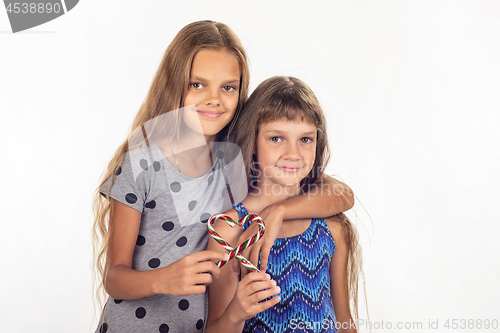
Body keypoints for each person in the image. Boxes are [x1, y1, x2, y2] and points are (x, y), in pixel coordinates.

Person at [92, 20, 354, 332]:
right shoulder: (140, 163)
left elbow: (342, 194)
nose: (214, 99)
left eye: (227, 87)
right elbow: (114, 278)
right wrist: (163, 278)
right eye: (197, 84)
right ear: (174, 84)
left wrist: (279, 210)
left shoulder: (238, 159)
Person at [206, 76, 362, 333]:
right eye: (276, 138)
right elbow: (214, 328)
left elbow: (344, 323)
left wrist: (278, 211)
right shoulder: (230, 230)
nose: (293, 153)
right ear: (252, 141)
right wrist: (236, 313)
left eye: (305, 139)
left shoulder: (331, 227)